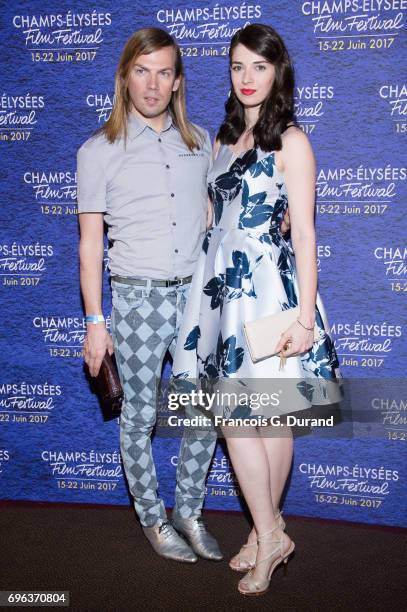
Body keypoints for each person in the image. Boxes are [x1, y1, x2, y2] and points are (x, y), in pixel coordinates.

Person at [172, 23, 341, 595]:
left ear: (278, 73)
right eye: (238, 67)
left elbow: (307, 237)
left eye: (259, 67)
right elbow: (213, 224)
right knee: (244, 418)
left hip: (269, 293)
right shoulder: (222, 141)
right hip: (221, 294)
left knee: (259, 417)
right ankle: (267, 530)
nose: (247, 78)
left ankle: (268, 534)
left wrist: (302, 320)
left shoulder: (292, 141)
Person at [76, 27, 224, 564]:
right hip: (134, 300)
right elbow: (90, 246)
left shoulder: (202, 143)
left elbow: (219, 219)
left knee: (204, 412)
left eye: (164, 72)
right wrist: (96, 322)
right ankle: (154, 520)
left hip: (195, 299)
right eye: (142, 71)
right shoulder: (98, 151)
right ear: (124, 78)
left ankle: (189, 510)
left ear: (178, 81)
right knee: (139, 417)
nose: (153, 84)